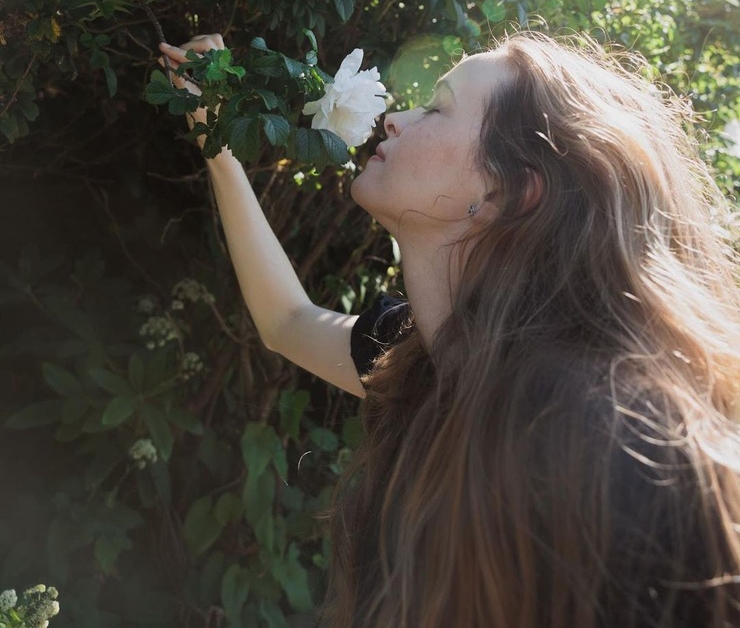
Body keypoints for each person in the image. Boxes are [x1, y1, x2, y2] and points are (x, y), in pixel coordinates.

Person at [159, 31, 740, 628]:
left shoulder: (610, 435)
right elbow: (287, 321)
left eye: (436, 107)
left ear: (506, 193)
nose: (395, 120)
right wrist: (216, 139)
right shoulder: (423, 361)